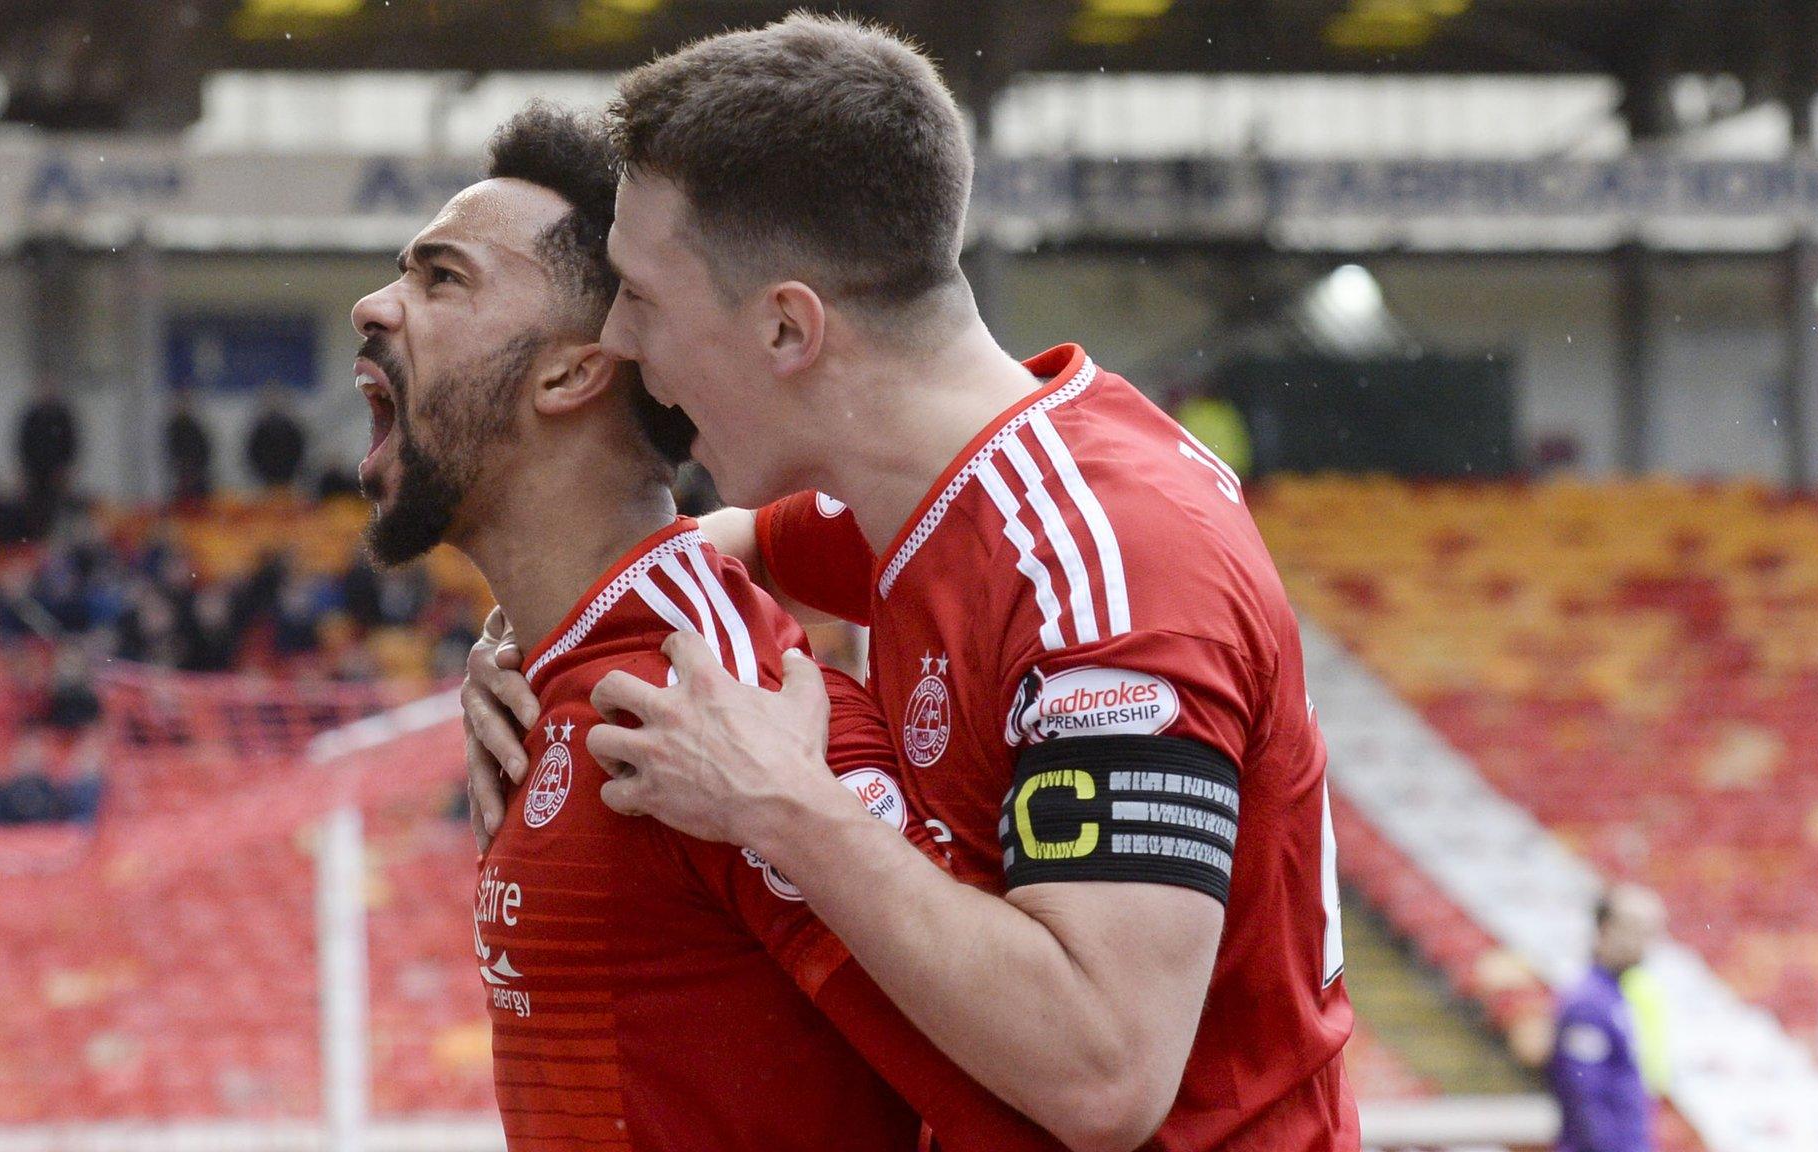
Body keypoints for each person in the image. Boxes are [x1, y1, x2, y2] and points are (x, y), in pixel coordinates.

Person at [463, 18, 1356, 1151]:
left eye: (641, 298)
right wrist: (524, 650)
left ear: (787, 326)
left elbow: (1107, 1075)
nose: (622, 345)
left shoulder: (1113, 564)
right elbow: (708, 546)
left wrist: (785, 805)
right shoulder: (922, 497)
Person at [350, 102, 1053, 1151]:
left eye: (440, 278)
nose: (374, 307)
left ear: (574, 370)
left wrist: (797, 812)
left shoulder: (724, 707)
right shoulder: (568, 675)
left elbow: (1034, 1095)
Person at [1549, 884, 1664, 1152]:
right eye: (1634, 927)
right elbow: (1585, 1098)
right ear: (1604, 929)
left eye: (1651, 930)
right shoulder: (1589, 1004)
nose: (1644, 940)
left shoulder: (1616, 996)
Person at [244, 383, 307, 489]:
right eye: (269, 399)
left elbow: (298, 450)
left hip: (288, 479)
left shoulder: (291, 428)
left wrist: (291, 472)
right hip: (265, 480)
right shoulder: (259, 430)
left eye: (276, 399)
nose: (273, 402)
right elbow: (253, 453)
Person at [164, 387, 215, 505]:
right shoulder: (173, 430)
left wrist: (197, 469)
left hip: (197, 476)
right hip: (182, 477)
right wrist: (183, 468)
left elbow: (205, 450)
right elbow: (170, 453)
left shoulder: (196, 428)